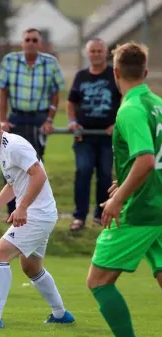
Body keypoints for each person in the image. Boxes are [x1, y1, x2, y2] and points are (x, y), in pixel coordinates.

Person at [86, 42, 161, 337]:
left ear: (115, 73)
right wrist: (126, 175)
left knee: (98, 281)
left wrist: (119, 200)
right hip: (158, 204)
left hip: (143, 211)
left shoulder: (129, 109)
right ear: (145, 72)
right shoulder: (157, 104)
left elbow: (146, 160)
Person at [0, 106, 74, 330]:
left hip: (37, 214)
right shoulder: (1, 149)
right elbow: (15, 183)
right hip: (40, 214)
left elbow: (40, 175)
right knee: (31, 267)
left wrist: (22, 207)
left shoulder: (14, 145)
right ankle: (61, 314)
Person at [0, 28, 65, 215]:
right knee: (11, 162)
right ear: (22, 42)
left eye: (35, 40)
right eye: (28, 39)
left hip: (38, 118)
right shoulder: (10, 61)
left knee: (35, 164)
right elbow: (2, 92)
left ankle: (32, 210)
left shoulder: (50, 63)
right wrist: (2, 119)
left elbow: (56, 93)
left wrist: (50, 119)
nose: (31, 43)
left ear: (40, 43)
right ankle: (12, 210)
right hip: (16, 116)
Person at [67, 38, 121, 231]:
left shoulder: (114, 75)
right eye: (93, 51)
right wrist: (72, 121)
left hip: (107, 136)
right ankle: (79, 217)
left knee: (105, 175)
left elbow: (124, 99)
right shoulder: (81, 76)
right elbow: (71, 102)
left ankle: (100, 215)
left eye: (100, 51)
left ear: (106, 53)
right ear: (87, 54)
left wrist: (118, 123)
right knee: (83, 172)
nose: (96, 54)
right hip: (84, 136)